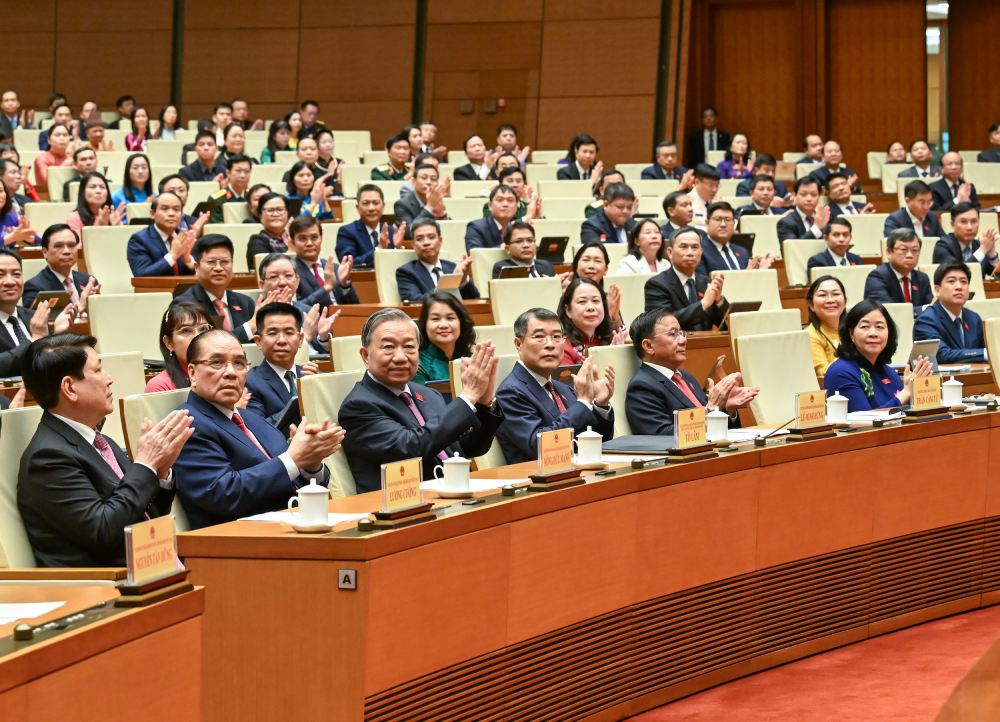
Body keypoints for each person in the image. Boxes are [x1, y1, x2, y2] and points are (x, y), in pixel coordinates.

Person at [17, 333, 193, 567]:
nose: (109, 379)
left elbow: (142, 515)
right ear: (69, 387)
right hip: (106, 588)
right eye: (98, 370)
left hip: (152, 566)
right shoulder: (48, 458)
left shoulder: (101, 441)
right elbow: (103, 531)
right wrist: (144, 466)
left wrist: (159, 474)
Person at [173, 329, 340, 529]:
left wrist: (310, 467)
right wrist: (294, 460)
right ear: (192, 373)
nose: (231, 372)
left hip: (293, 527)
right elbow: (223, 494)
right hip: (236, 542)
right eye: (217, 363)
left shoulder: (254, 420)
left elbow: (289, 475)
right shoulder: (187, 423)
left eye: (239, 363)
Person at [339, 308, 503, 493]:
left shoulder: (429, 395)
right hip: (401, 509)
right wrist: (467, 398)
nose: (400, 357)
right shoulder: (358, 406)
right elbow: (411, 448)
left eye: (409, 347)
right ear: (365, 356)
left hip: (453, 494)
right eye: (388, 347)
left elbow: (469, 448)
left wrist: (484, 403)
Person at [495, 308, 614, 464]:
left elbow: (598, 441)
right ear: (518, 343)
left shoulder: (561, 387)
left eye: (557, 337)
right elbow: (539, 446)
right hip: (538, 482)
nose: (550, 344)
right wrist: (583, 403)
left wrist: (599, 405)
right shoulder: (510, 392)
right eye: (539, 337)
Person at [625, 309, 757, 434]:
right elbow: (662, 436)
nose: (683, 340)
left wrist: (726, 409)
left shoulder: (687, 377)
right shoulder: (642, 387)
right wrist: (711, 410)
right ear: (648, 346)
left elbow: (721, 432)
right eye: (673, 334)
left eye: (681, 333)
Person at [823, 300, 932, 411]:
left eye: (879, 327)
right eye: (865, 327)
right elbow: (865, 423)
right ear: (851, 333)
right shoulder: (840, 372)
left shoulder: (889, 373)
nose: (873, 333)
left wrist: (916, 392)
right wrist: (906, 392)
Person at [0, 248, 76, 376]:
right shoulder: (37, 328)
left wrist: (55, 335)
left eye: (16, 274)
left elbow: (51, 364)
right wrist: (35, 340)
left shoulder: (31, 317)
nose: (10, 282)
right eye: (1, 275)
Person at [245, 302, 318, 430]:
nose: (282, 341)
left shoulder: (312, 376)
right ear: (258, 341)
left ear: (300, 339)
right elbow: (258, 430)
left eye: (289, 333)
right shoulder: (249, 382)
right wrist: (300, 401)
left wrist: (319, 388)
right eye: (272, 333)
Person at [172, 234, 258, 343]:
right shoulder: (184, 305)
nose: (218, 268)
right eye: (211, 262)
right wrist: (248, 328)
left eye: (225, 262)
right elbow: (201, 346)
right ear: (197, 268)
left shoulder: (246, 303)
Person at [644, 227, 729, 331]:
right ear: (670, 252)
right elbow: (661, 324)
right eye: (683, 247)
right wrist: (704, 304)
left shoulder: (706, 282)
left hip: (706, 344)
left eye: (695, 247)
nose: (690, 253)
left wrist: (719, 301)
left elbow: (726, 324)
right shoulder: (656, 285)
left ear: (701, 252)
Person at [913, 261, 987, 364]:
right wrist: (984, 353)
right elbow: (941, 354)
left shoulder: (974, 318)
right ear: (937, 290)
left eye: (964, 281)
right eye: (951, 281)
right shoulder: (926, 320)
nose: (959, 287)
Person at [397, 219, 478, 302]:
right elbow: (413, 301)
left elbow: (475, 299)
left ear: (440, 241)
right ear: (413, 245)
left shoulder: (453, 267)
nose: (426, 242)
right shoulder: (406, 272)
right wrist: (450, 283)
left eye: (431, 237)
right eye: (419, 239)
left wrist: (463, 280)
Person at [287, 215, 359, 308]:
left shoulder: (335, 268)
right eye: (302, 238)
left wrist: (344, 285)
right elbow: (297, 308)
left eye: (314, 237)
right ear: (293, 242)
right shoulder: (291, 272)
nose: (309, 243)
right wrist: (326, 288)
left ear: (321, 237)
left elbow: (355, 308)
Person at [22, 224, 98, 309]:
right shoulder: (34, 287)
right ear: (45, 252)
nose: (66, 251)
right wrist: (80, 307)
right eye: (58, 246)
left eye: (71, 245)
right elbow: (33, 320)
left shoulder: (88, 281)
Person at [146, 302, 215, 393]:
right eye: (186, 331)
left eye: (203, 329)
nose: (197, 336)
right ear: (169, 343)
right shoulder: (160, 386)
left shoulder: (226, 374)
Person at [127, 191, 197, 277]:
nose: (171, 214)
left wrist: (188, 260)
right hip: (155, 290)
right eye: (165, 208)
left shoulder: (184, 237)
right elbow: (142, 275)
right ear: (152, 214)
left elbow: (197, 276)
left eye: (176, 209)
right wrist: (173, 255)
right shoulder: (139, 240)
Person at [864, 228, 933, 313]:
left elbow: (933, 309)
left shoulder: (922, 278)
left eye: (915, 250)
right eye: (903, 249)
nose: (909, 255)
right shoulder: (877, 277)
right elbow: (887, 311)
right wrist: (924, 309)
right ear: (889, 252)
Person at [558, 278, 625, 364]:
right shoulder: (562, 347)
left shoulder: (610, 340)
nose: (591, 307)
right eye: (582, 301)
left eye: (595, 301)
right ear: (568, 310)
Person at [414, 292, 477, 384]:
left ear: (461, 323)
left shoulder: (469, 359)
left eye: (450, 318)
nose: (443, 325)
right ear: (425, 325)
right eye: (435, 319)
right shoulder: (418, 365)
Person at [336, 184, 402, 267]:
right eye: (365, 203)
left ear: (383, 206)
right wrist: (379, 249)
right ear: (357, 207)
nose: (371, 208)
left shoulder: (391, 231)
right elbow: (348, 263)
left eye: (376, 203)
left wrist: (398, 249)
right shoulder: (347, 232)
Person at [700, 201, 773, 273]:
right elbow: (703, 281)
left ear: (734, 224)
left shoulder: (742, 252)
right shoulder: (700, 251)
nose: (723, 224)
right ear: (707, 223)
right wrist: (747, 274)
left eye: (728, 220)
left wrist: (760, 270)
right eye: (718, 219)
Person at [932, 202, 999, 277]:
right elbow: (959, 274)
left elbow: (996, 278)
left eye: (973, 221)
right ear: (952, 224)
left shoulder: (978, 245)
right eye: (963, 222)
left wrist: (991, 255)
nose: (969, 227)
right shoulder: (942, 246)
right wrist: (982, 250)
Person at [805, 275, 847, 380]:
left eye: (836, 294)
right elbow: (823, 373)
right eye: (822, 295)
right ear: (811, 305)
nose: (830, 300)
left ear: (845, 301)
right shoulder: (810, 335)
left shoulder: (854, 330)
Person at [394, 163, 449, 237]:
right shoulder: (402, 204)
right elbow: (407, 233)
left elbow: (450, 232)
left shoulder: (438, 200)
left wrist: (442, 215)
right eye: (424, 178)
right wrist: (429, 207)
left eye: (433, 179)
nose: (429, 182)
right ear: (413, 182)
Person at [66, 172, 124, 236]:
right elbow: (77, 246)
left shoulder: (112, 215)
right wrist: (99, 226)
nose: (98, 191)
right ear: (83, 192)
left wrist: (117, 229)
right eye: (92, 187)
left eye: (102, 187)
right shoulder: (75, 217)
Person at [776, 177, 829, 244]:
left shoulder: (826, 218)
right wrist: (817, 228)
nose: (809, 199)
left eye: (813, 194)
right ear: (794, 195)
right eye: (803, 194)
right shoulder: (785, 223)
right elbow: (793, 248)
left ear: (819, 196)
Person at [465, 184, 518, 250]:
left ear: (516, 206)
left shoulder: (519, 227)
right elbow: (475, 253)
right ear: (490, 205)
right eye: (500, 200)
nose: (505, 204)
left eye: (510, 200)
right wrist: (502, 248)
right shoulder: (476, 227)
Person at [245, 193, 289, 270]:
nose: (275, 214)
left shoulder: (295, 237)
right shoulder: (257, 241)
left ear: (287, 213)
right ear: (260, 215)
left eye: (280, 209)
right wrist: (291, 250)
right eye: (270, 210)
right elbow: (267, 271)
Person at [207, 154, 251, 223]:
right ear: (228, 173)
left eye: (247, 171)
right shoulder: (216, 199)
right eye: (238, 171)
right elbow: (216, 226)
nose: (243, 175)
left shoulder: (252, 197)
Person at [34, 122, 73, 189]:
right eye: (57, 135)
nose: (62, 138)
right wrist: (66, 164)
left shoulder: (71, 158)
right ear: (49, 140)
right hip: (46, 195)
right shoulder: (41, 159)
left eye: (65, 135)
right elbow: (47, 182)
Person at [0, 178, 36, 248]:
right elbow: (12, 237)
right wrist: (11, 237)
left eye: (0, 191)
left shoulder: (11, 218)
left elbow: (40, 241)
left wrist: (29, 238)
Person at [687, 164, 720, 228]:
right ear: (697, 182)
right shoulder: (687, 202)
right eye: (710, 185)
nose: (714, 190)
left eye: (717, 186)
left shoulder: (718, 201)